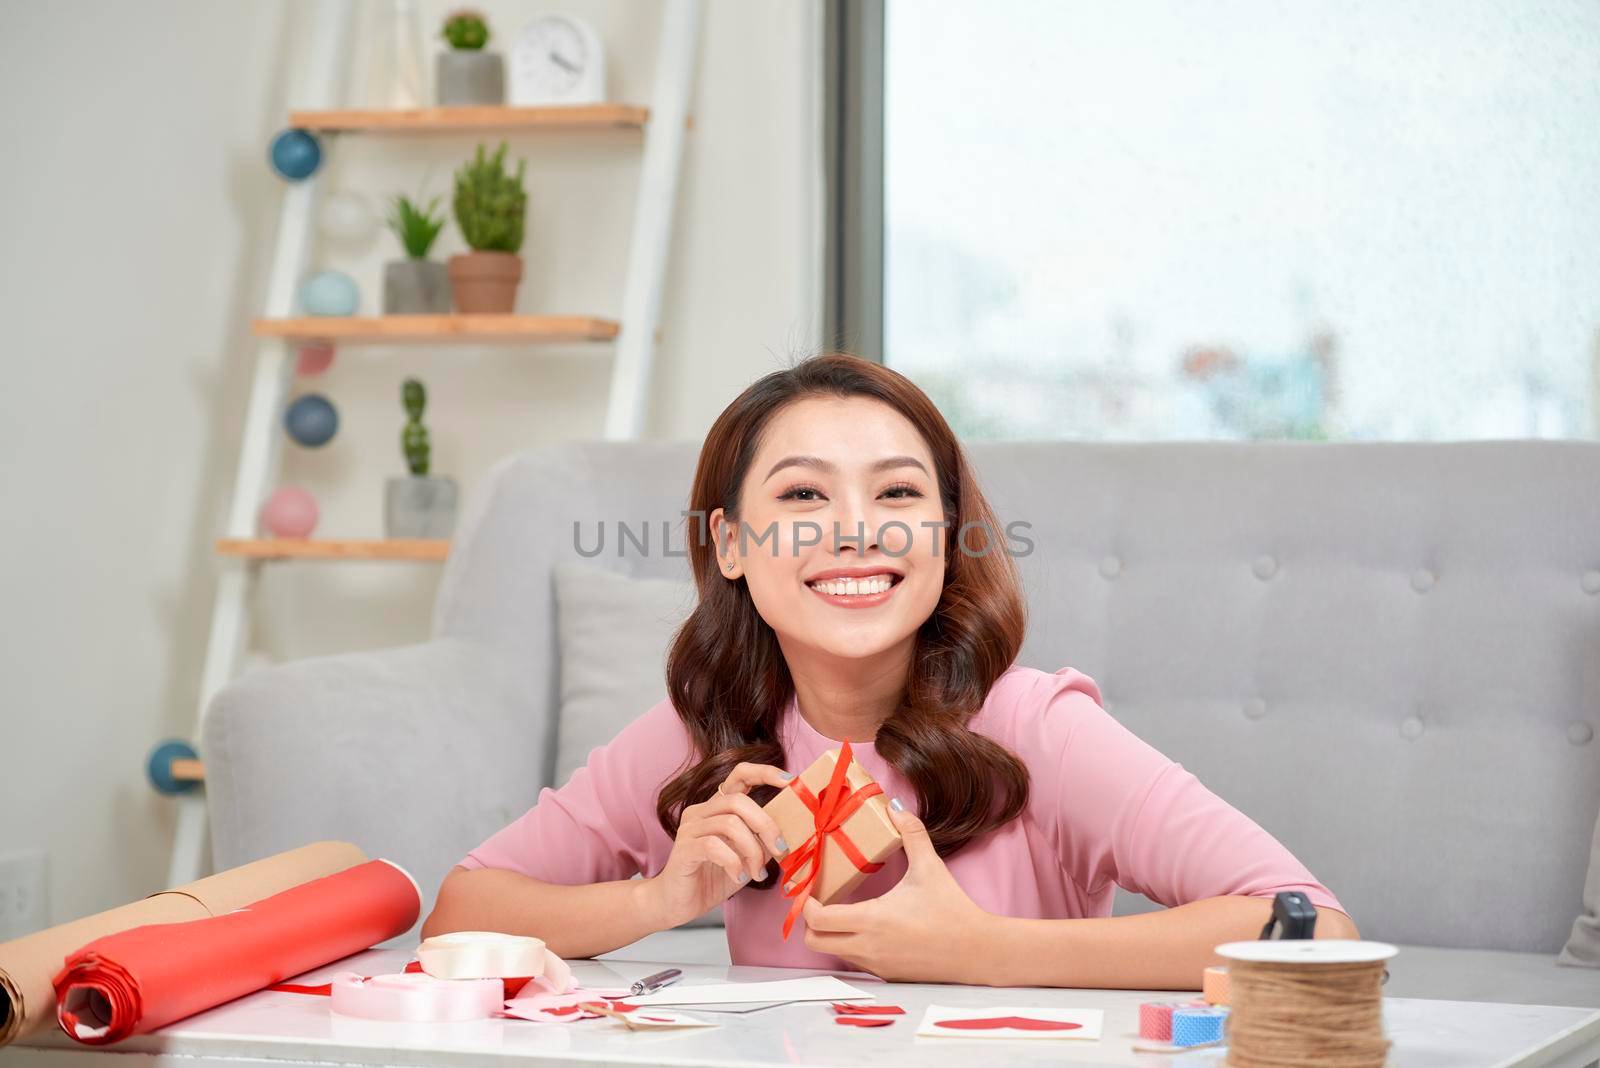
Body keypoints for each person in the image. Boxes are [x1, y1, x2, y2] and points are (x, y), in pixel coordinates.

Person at [421, 352, 1358, 987]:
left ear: (946, 536)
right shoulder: (706, 737)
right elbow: (460, 915)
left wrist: (984, 949)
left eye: (898, 492)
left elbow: (1314, 927)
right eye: (802, 494)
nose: (856, 527)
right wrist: (662, 896)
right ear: (732, 543)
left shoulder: (1034, 727)